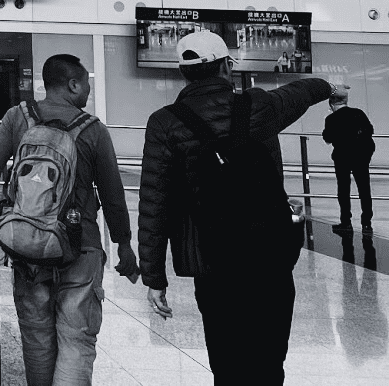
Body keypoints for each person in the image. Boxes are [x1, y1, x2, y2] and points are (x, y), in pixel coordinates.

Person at [137, 29, 344, 386]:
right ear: (225, 68)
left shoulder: (164, 122)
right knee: (268, 360)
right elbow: (304, 91)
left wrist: (154, 277)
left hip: (211, 261)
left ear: (185, 73)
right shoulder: (258, 105)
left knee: (227, 361)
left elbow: (154, 202)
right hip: (268, 255)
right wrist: (331, 88)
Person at [0, 54, 137, 386]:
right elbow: (112, 193)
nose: (87, 92)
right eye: (85, 85)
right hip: (80, 248)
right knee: (76, 339)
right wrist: (124, 245)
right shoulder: (93, 129)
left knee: (37, 340)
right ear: (72, 84)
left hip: (28, 247)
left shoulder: (18, 117)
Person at [324, 97, 376, 235]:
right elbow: (370, 130)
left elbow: (327, 138)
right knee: (364, 189)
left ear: (332, 104)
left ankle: (346, 222)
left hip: (342, 158)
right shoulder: (359, 113)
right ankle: (366, 223)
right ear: (345, 102)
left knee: (343, 189)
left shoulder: (331, 119)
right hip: (361, 157)